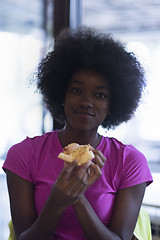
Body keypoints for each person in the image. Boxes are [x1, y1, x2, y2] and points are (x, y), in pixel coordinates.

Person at [3, 26, 153, 240]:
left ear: (113, 104)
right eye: (76, 90)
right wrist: (56, 202)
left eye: (100, 95)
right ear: (61, 94)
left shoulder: (129, 161)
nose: (86, 102)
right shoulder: (24, 154)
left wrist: (78, 197)